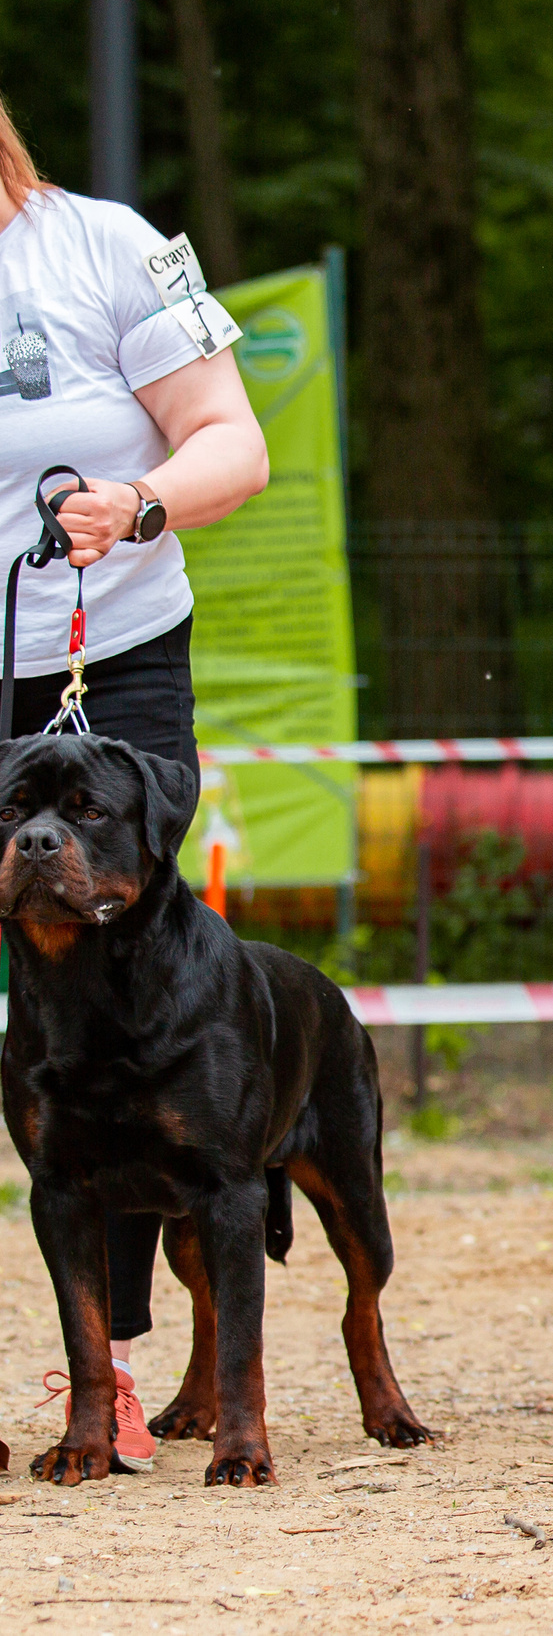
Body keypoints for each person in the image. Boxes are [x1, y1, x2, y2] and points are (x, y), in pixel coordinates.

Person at [0, 90, 268, 1469]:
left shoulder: (109, 246)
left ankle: (102, 1374)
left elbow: (236, 439)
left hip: (109, 681)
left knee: (119, 1003)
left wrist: (143, 502)